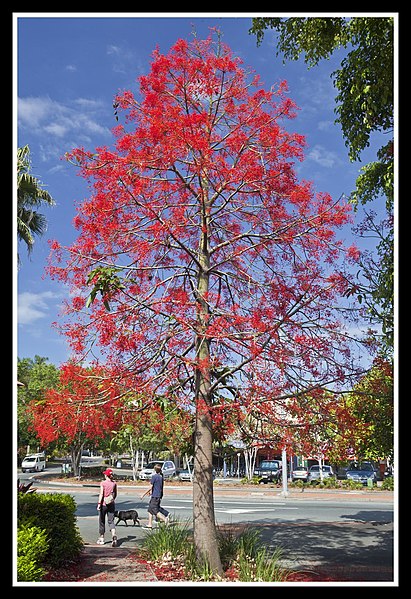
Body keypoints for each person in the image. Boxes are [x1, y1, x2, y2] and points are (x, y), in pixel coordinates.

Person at [141, 463, 170, 529]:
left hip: (155, 496)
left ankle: (165, 519)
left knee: (154, 510)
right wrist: (151, 492)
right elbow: (159, 487)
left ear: (155, 470)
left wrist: (143, 494)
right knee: (150, 510)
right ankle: (149, 525)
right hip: (158, 495)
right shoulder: (161, 477)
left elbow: (150, 487)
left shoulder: (154, 477)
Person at [96, 468, 118, 546]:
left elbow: (101, 494)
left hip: (103, 504)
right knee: (111, 521)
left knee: (102, 521)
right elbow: (115, 494)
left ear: (106, 475)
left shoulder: (103, 483)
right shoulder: (114, 484)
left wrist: (99, 504)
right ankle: (114, 536)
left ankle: (102, 538)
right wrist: (111, 500)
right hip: (111, 504)